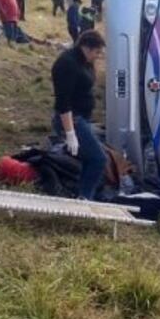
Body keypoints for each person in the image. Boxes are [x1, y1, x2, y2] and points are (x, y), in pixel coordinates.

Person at [51, 30, 108, 201]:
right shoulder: (66, 64)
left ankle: (81, 194)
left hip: (82, 118)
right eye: (97, 52)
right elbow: (63, 103)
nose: (98, 56)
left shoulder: (84, 61)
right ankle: (84, 199)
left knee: (89, 158)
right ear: (87, 48)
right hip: (72, 120)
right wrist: (70, 134)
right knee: (98, 159)